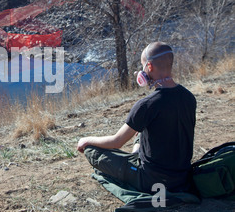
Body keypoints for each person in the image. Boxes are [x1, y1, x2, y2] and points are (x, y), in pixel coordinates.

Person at [77, 42, 197, 194]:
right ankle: (135, 156)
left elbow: (117, 142)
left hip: (150, 180)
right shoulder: (189, 97)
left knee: (91, 150)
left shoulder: (147, 104)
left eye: (143, 66)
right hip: (182, 177)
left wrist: (86, 140)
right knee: (140, 132)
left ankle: (131, 168)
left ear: (150, 67)